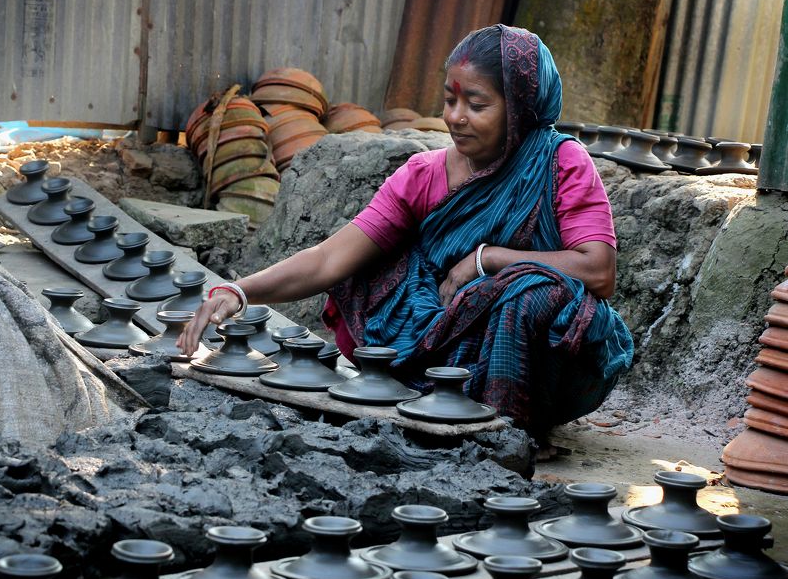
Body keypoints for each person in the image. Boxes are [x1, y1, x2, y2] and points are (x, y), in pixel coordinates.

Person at [179, 24, 633, 456]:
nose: (455, 118)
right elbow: (329, 259)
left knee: (530, 292)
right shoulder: (424, 174)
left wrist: (488, 259)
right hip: (444, 343)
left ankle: (509, 433)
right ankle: (434, 397)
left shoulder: (560, 163)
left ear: (520, 107)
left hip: (553, 365)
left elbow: (598, 269)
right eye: (449, 100)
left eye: (476, 104)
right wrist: (238, 291)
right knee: (376, 268)